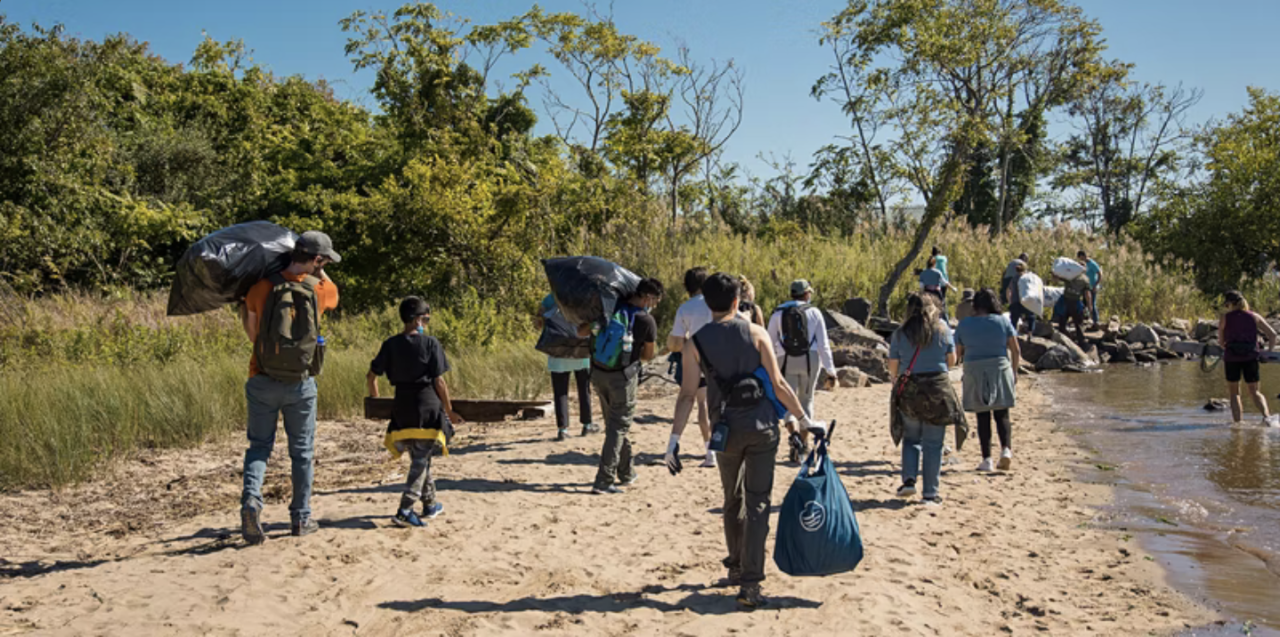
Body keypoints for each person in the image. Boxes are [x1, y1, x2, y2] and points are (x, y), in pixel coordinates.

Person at [662, 273, 820, 608]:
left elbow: (688, 394)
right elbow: (779, 385)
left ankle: (735, 565)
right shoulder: (755, 332)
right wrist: (805, 421)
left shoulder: (695, 343)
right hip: (762, 427)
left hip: (724, 430)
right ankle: (750, 584)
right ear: (737, 301)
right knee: (758, 501)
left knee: (731, 498)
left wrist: (673, 440)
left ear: (707, 303)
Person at [239, 230, 341, 544]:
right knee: (302, 453)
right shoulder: (321, 289)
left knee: (259, 446)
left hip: (262, 377)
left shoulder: (260, 286)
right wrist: (319, 270)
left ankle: (252, 502)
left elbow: (253, 335)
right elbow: (334, 294)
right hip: (301, 382)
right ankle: (301, 518)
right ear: (318, 259)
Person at [367, 297, 465, 528]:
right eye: (426, 319)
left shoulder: (390, 344)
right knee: (420, 460)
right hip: (426, 408)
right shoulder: (430, 344)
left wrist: (375, 400)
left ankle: (430, 504)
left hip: (402, 408)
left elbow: (371, 376)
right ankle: (405, 509)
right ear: (418, 319)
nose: (427, 324)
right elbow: (439, 382)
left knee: (421, 456)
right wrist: (449, 411)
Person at [888, 293, 966, 505]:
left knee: (911, 438)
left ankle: (909, 480)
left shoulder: (899, 333)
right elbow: (951, 361)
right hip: (937, 389)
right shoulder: (942, 330)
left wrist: (896, 379)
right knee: (933, 443)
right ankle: (930, 493)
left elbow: (893, 367)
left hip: (910, 389)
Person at [591, 277, 664, 494]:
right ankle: (604, 480)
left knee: (613, 424)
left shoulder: (611, 307)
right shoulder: (646, 320)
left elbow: (584, 331)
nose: (655, 305)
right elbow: (648, 355)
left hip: (598, 372)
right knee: (618, 426)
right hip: (622, 378)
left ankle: (626, 472)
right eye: (656, 301)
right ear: (649, 297)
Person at [766, 279, 837, 460]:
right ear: (806, 294)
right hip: (810, 359)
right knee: (807, 399)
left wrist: (770, 364)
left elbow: (769, 341)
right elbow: (823, 344)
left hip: (785, 360)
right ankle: (803, 445)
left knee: (787, 399)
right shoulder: (814, 312)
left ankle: (793, 436)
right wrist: (831, 370)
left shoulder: (778, 313)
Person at [954, 289, 1021, 472]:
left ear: (975, 304)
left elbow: (957, 354)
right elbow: (1015, 350)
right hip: (1000, 368)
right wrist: (1014, 372)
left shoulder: (964, 324)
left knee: (982, 415)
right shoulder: (1003, 321)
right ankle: (1006, 450)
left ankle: (987, 459)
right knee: (1002, 413)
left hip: (974, 369)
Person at [667, 267, 717, 468]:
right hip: (718, 359)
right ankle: (712, 449)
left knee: (695, 401)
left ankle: (674, 444)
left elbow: (676, 343)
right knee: (713, 405)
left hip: (695, 360)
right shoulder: (715, 304)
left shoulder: (685, 308)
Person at [535, 294, 599, 441]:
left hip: (558, 351)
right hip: (581, 350)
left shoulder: (551, 298)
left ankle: (563, 429)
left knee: (560, 392)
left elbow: (539, 322)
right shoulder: (583, 298)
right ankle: (587, 425)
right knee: (584, 389)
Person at [1218, 291, 1277, 425]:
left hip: (1232, 358)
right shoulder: (1254, 316)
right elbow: (1272, 334)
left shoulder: (1225, 318)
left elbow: (1221, 342)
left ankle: (1238, 425)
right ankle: (1267, 418)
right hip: (1251, 357)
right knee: (1255, 391)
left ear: (1230, 304)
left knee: (1234, 394)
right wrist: (1268, 351)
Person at [1055, 265, 1092, 344]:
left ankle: (1061, 339)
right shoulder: (1085, 279)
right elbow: (1087, 294)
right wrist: (1089, 306)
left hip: (1065, 300)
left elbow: (1058, 278)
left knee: (1062, 321)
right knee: (1078, 323)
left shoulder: (1070, 275)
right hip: (1075, 302)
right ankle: (1081, 341)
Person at [919, 256, 956, 320]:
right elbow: (944, 282)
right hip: (936, 292)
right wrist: (953, 288)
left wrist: (922, 295)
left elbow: (921, 287)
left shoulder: (922, 273)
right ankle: (944, 321)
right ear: (934, 264)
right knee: (942, 306)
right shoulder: (937, 272)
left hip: (927, 292)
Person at [1005, 260, 1037, 335]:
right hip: (1026, 301)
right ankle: (1030, 333)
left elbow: (1008, 290)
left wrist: (1010, 301)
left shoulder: (1014, 278)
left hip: (1015, 302)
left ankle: (1013, 336)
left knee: (1013, 321)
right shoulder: (1028, 278)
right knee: (1031, 317)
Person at [1078, 250, 1103, 326]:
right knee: (1083, 303)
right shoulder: (1084, 264)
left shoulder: (1092, 264)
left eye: (1080, 258)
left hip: (1093, 287)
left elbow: (1100, 274)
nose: (1080, 259)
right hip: (1086, 287)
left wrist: (1095, 285)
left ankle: (1096, 321)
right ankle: (1082, 319)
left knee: (1092, 303)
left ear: (1082, 256)